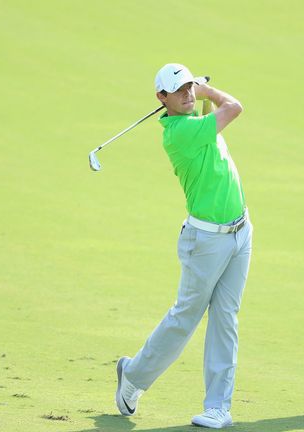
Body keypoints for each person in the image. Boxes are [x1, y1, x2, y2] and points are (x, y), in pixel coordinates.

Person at [115, 63, 252, 428]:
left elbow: (214, 116)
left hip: (241, 232)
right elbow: (234, 108)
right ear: (162, 99)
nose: (188, 94)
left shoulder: (194, 121)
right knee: (185, 318)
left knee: (226, 320)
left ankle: (217, 408)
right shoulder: (179, 133)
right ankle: (133, 375)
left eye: (190, 87)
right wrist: (209, 91)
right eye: (179, 91)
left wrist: (200, 95)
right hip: (204, 241)